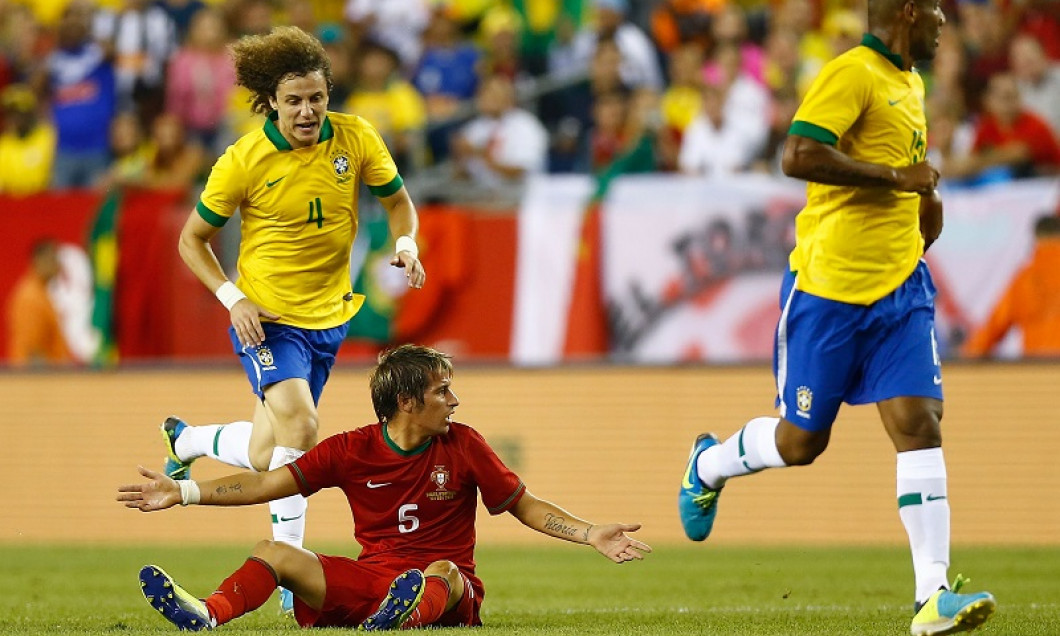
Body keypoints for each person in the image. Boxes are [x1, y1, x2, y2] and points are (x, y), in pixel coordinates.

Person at [675, 1, 998, 635]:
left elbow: (906, 170)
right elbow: (796, 154)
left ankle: (931, 596)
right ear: (907, 10)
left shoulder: (910, 81)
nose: (942, 20)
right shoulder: (852, 72)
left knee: (918, 422)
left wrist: (924, 198)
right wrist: (896, 178)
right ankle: (708, 464)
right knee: (802, 442)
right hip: (829, 290)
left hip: (900, 289)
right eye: (934, 8)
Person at [156, 25, 426, 613]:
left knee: (264, 454)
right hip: (266, 319)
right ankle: (290, 566)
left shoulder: (356, 138)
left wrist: (405, 243)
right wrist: (234, 299)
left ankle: (188, 438)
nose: (307, 110)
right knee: (301, 429)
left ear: (329, 95)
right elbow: (192, 240)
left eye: (317, 98)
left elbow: (399, 202)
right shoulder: (243, 159)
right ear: (271, 103)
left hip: (329, 318)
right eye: (294, 100)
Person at [118, 344, 651, 632]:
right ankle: (208, 614)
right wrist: (183, 493)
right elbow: (265, 483)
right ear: (408, 403)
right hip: (375, 584)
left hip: (448, 592)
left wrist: (590, 534)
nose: (455, 400)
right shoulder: (350, 449)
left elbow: (526, 507)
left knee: (442, 573)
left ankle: (398, 619)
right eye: (444, 391)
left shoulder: (465, 445)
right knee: (273, 551)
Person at [962, 215, 1060, 358]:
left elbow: (995, 326)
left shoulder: (1025, 278)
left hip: (1038, 370)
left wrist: (966, 356)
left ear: (1036, 239)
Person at [6, 240, 71, 367]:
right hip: (35, 380)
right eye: (54, 259)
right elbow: (32, 352)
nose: (58, 266)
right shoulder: (31, 298)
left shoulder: (41, 294)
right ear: (39, 260)